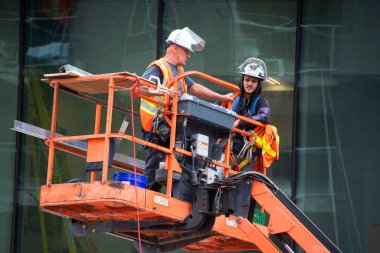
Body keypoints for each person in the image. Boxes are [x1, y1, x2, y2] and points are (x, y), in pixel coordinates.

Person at [140, 27, 234, 191]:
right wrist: (164, 90)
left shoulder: (179, 72)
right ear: (175, 48)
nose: (189, 55)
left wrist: (222, 97)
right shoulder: (159, 67)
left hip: (173, 130)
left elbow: (195, 87)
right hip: (158, 131)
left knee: (174, 173)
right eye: (186, 51)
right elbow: (141, 87)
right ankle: (143, 206)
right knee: (153, 174)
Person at [231, 57, 271, 172]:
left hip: (248, 151)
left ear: (258, 84)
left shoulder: (261, 102)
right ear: (242, 81)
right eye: (247, 80)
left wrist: (241, 121)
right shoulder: (233, 99)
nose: (250, 84)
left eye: (253, 81)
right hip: (229, 147)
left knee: (243, 185)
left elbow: (265, 116)